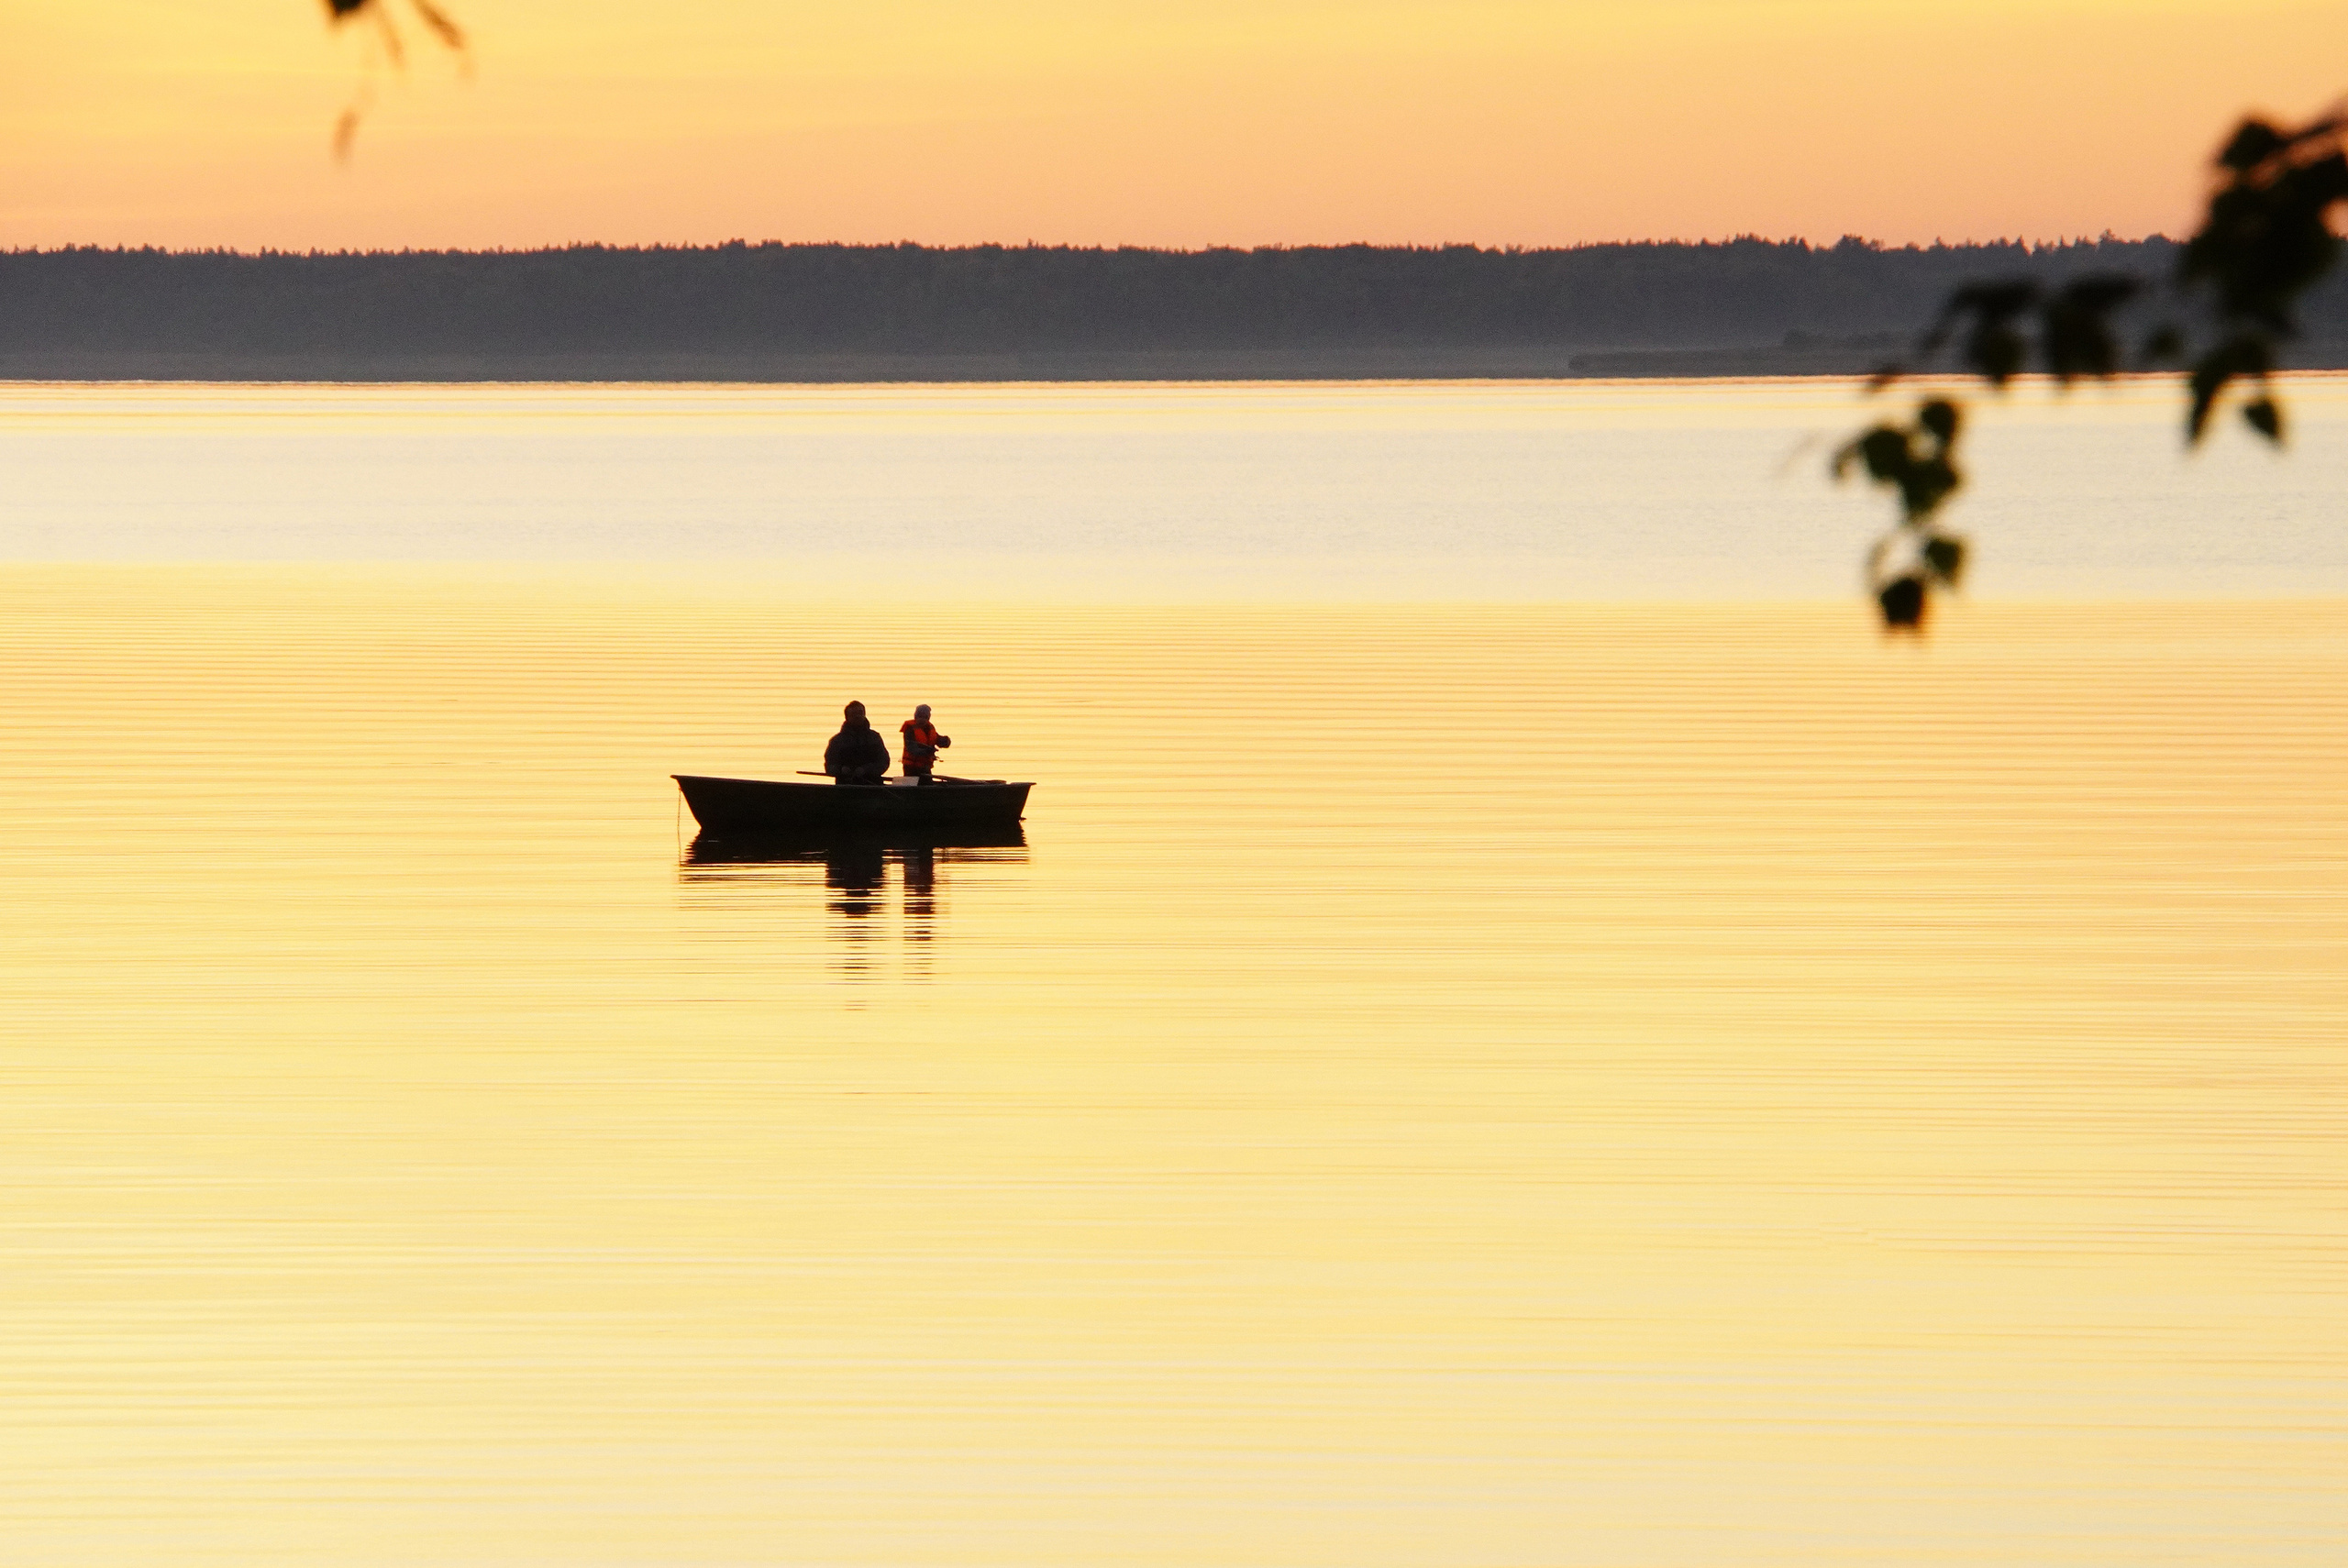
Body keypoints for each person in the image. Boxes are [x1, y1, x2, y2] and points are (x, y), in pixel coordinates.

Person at [823, 701, 892, 785]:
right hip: (845, 787)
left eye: (860, 713)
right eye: (854, 714)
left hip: (873, 786)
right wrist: (841, 770)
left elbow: (883, 762)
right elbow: (829, 766)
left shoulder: (874, 738)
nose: (857, 716)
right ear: (847, 717)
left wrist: (866, 770)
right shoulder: (837, 741)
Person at [899, 703, 951, 783]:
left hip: (925, 766)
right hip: (911, 767)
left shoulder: (930, 728)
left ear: (928, 718)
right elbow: (911, 748)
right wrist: (927, 751)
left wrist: (945, 741)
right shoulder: (910, 729)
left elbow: (936, 739)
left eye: (925, 717)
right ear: (915, 717)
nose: (922, 719)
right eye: (920, 717)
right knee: (913, 786)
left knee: (928, 784)